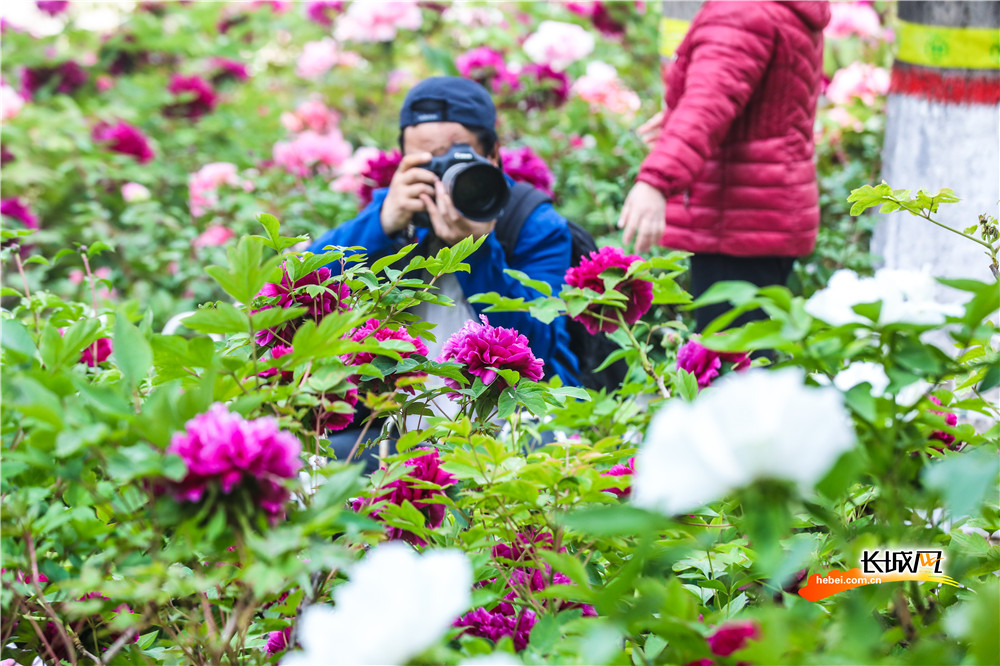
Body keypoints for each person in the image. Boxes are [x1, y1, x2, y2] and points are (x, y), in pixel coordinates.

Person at [618, 1, 831, 332]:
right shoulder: (772, 8)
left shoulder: (741, 12)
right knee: (751, 356)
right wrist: (678, 113)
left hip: (737, 220)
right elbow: (757, 95)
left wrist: (655, 181)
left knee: (731, 364)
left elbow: (704, 110)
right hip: (764, 212)